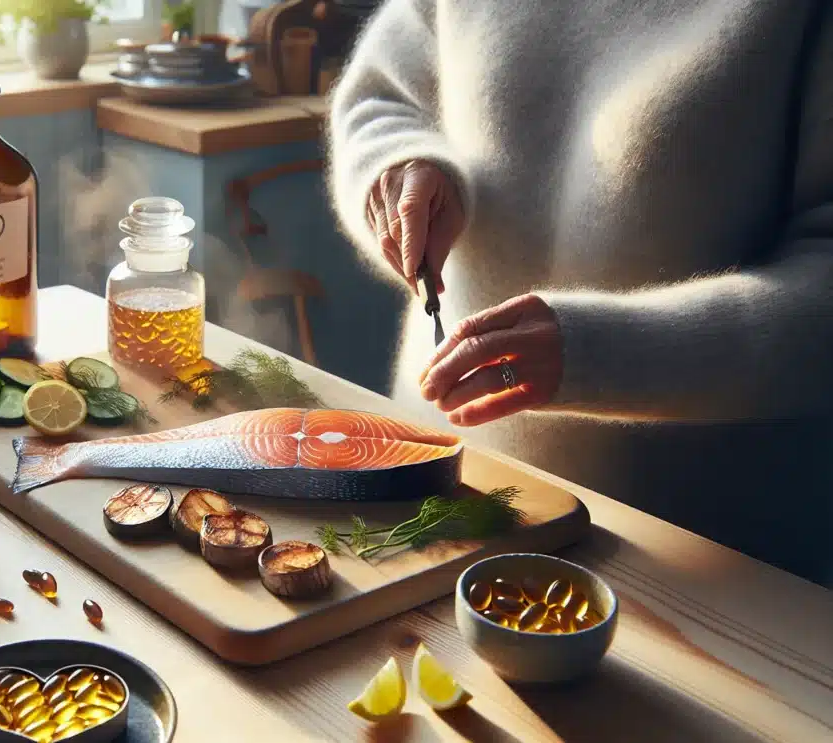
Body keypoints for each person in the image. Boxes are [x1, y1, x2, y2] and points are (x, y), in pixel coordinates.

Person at [326, 0, 833, 584]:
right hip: (433, 502)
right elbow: (379, 96)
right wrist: (394, 167)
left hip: (698, 568)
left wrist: (606, 353)